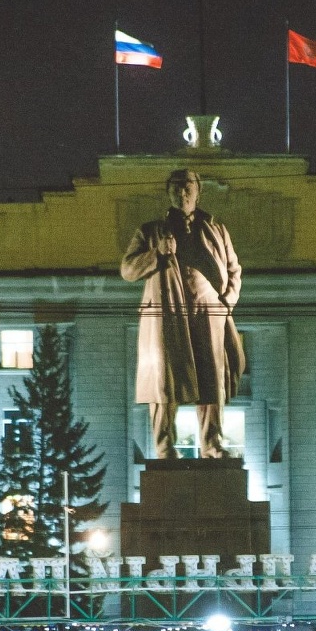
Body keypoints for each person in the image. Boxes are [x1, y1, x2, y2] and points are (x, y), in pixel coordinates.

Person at [120, 168, 245, 460]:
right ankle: (165, 448)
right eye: (176, 187)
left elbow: (234, 270)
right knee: (165, 380)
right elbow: (127, 269)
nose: (182, 192)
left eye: (187, 186)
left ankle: (212, 445)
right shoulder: (151, 231)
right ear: (169, 192)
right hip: (168, 314)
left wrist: (227, 301)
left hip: (208, 311)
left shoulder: (216, 229)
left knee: (211, 379)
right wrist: (157, 254)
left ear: (198, 191)